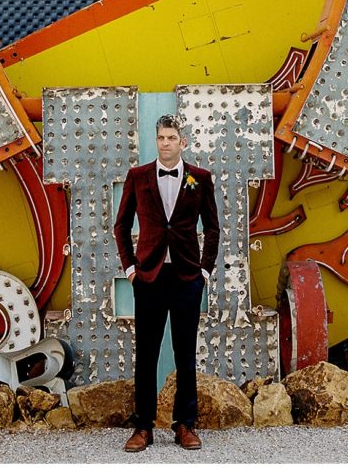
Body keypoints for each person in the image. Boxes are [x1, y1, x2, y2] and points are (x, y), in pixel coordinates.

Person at [113, 114, 219, 452]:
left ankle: (185, 424)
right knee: (146, 353)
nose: (166, 143)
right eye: (161, 138)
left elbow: (213, 228)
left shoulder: (200, 178)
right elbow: (121, 226)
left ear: (182, 142)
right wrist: (130, 269)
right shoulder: (138, 176)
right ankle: (143, 427)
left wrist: (205, 271)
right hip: (150, 277)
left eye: (172, 138)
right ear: (155, 141)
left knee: (185, 353)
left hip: (187, 276)